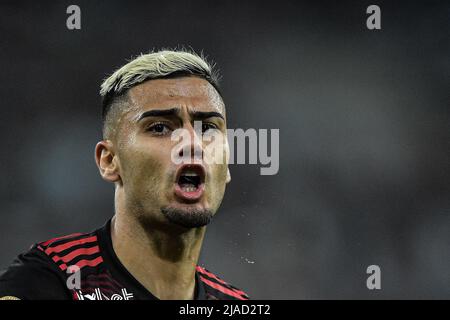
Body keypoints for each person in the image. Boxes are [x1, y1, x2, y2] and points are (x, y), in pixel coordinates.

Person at [0, 49, 249, 300]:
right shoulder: (49, 280)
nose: (192, 143)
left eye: (207, 128)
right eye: (160, 127)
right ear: (109, 160)